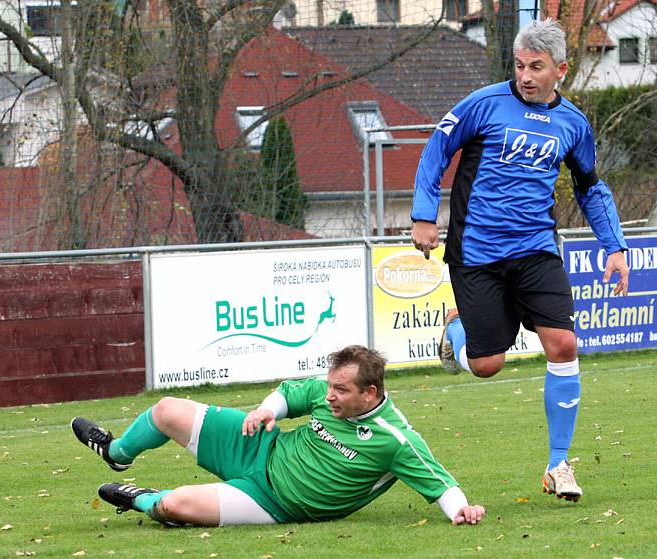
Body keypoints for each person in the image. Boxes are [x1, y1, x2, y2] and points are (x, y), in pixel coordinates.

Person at [410, 19, 629, 503]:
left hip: (536, 249)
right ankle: (455, 330)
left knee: (564, 343)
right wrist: (424, 215)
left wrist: (614, 247)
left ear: (561, 70)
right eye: (520, 65)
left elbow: (592, 187)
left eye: (537, 67)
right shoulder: (484, 104)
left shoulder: (572, 123)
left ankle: (558, 465)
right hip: (478, 253)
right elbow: (435, 150)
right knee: (487, 365)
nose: (526, 76)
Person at [71, 345, 486, 527]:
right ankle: (117, 452)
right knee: (165, 410)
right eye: (330, 387)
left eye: (341, 390)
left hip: (272, 503)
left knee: (174, 504)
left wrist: (460, 510)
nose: (330, 396)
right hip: (259, 445)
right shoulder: (328, 393)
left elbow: (440, 484)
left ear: (370, 393)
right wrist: (267, 409)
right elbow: (290, 392)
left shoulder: (395, 440)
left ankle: (138, 497)